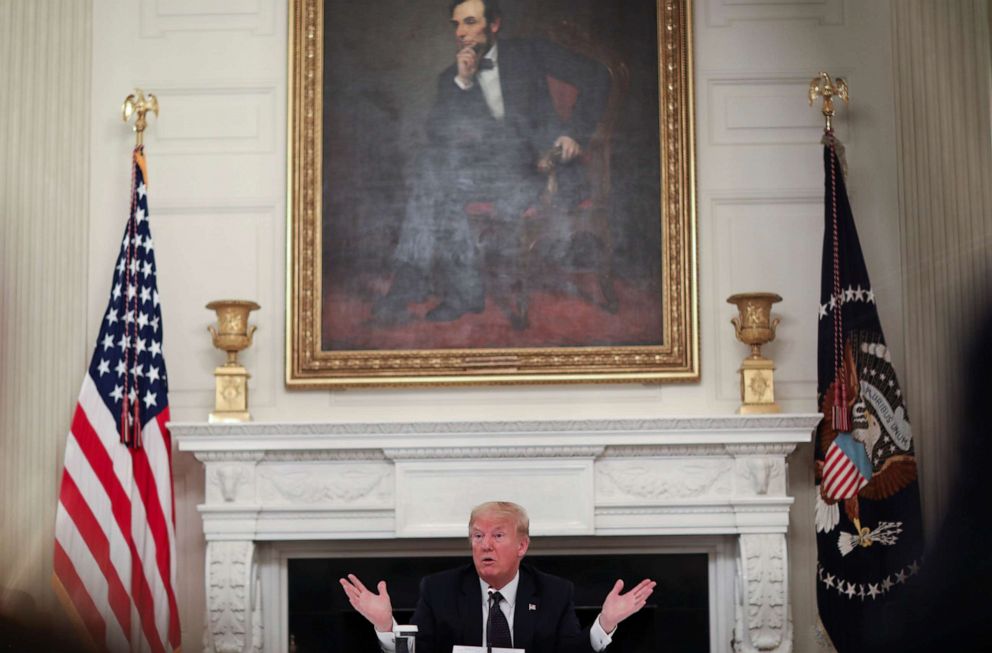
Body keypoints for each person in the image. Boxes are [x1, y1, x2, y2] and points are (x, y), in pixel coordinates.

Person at [372, 0, 609, 325]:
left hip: (540, 170)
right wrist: (464, 84)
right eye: (456, 25)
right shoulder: (451, 78)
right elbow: (440, 139)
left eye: (470, 22)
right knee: (432, 172)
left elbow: (598, 76)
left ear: (494, 24)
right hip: (489, 174)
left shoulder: (531, 52)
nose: (461, 33)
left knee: (435, 180)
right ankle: (443, 287)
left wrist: (573, 133)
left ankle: (440, 289)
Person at [340, 501, 656, 652]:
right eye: (477, 536)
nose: (485, 545)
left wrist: (605, 623)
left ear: (522, 545)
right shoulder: (440, 589)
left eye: (497, 536)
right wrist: (385, 625)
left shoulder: (554, 592)